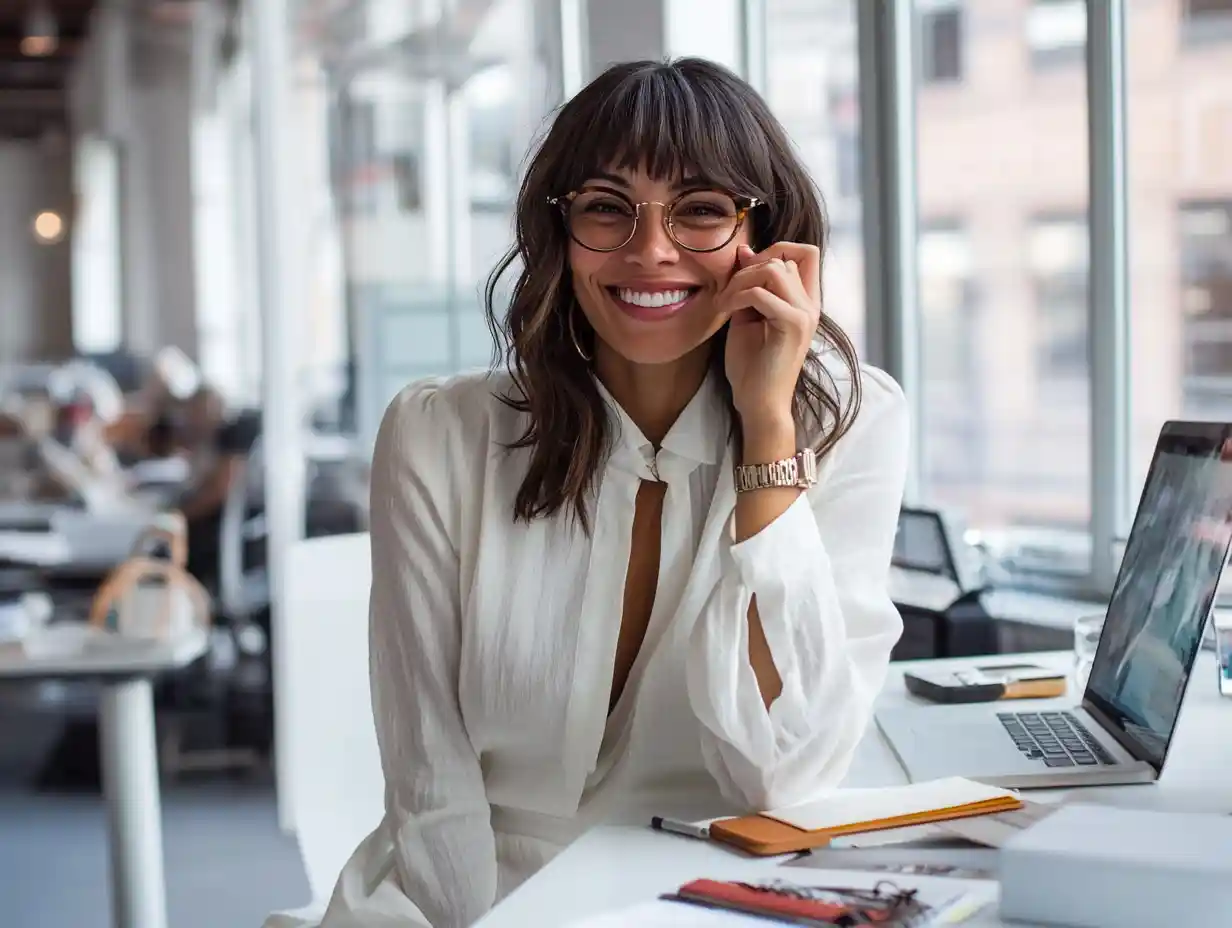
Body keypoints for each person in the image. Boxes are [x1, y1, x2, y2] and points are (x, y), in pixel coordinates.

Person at [301, 58, 909, 928]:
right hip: (468, 897)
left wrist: (768, 428)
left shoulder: (849, 419)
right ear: (561, 231)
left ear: (765, 236)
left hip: (709, 899)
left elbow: (794, 773)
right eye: (605, 207)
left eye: (701, 210)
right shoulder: (437, 434)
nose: (650, 249)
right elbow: (429, 779)